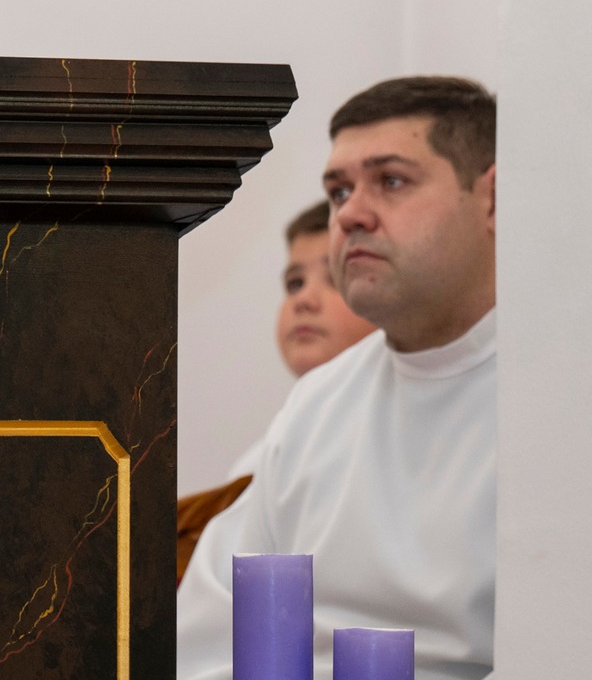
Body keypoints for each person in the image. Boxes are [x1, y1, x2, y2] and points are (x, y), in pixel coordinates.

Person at [175, 76, 497, 680]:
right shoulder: (317, 404)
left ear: (493, 199)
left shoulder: (550, 401)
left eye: (391, 181)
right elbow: (207, 638)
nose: (349, 214)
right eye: (338, 191)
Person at [179, 201, 379, 581]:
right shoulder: (264, 454)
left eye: (335, 279)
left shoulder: (377, 437)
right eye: (294, 283)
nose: (304, 300)